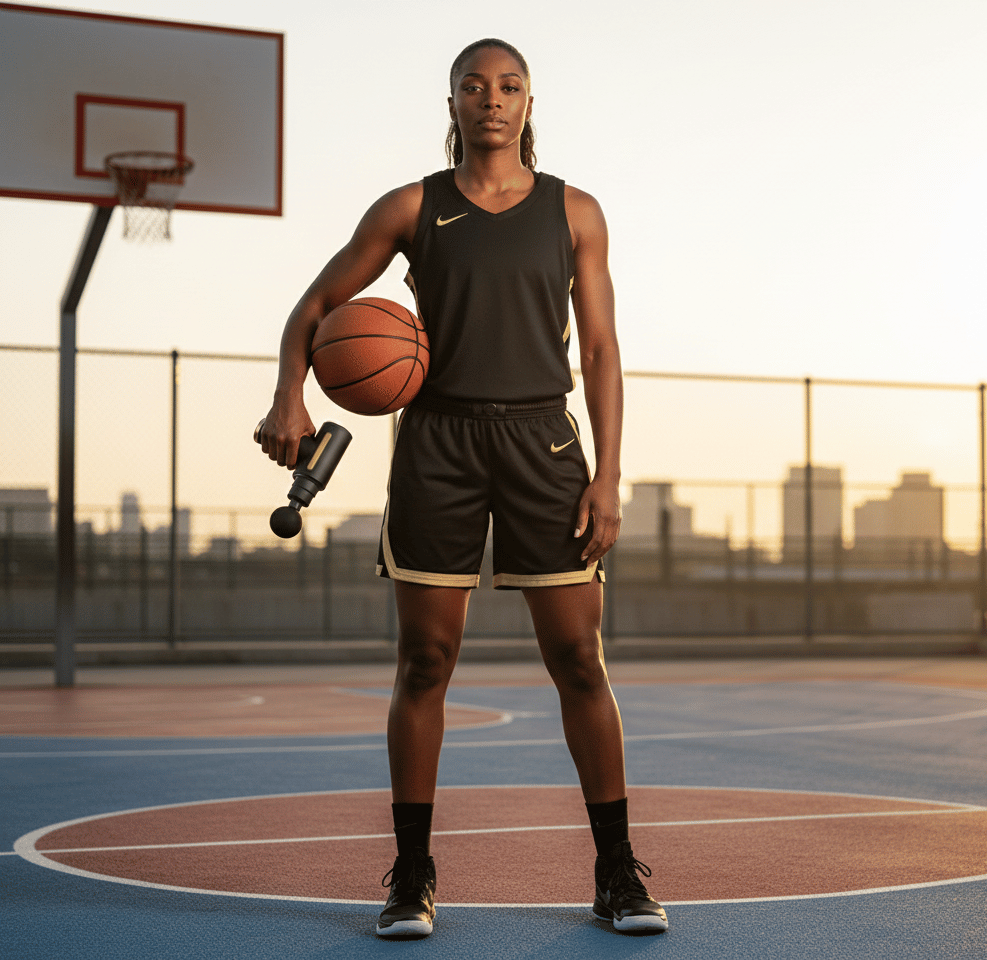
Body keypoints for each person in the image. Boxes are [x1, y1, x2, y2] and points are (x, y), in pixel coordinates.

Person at [260, 38, 667, 939]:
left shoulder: (577, 211)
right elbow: (312, 310)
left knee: (578, 662)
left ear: (530, 102)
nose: (493, 99)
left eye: (509, 86)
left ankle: (616, 874)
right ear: (452, 102)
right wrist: (290, 391)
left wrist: (608, 476)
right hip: (438, 443)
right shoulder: (412, 207)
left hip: (543, 442)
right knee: (425, 664)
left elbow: (599, 351)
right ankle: (411, 876)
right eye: (474, 86)